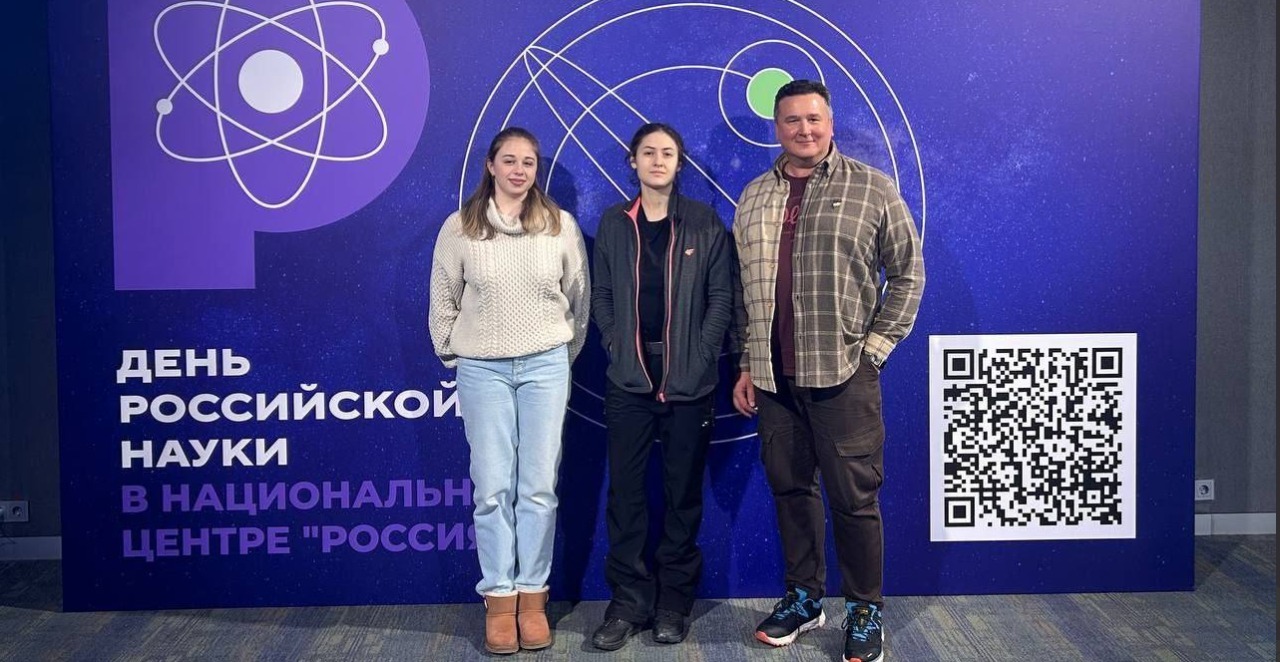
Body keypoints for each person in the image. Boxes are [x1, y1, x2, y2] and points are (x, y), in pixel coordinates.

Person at [731, 80, 925, 662]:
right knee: (791, 491)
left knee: (854, 500)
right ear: (777, 128)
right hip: (774, 379)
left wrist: (874, 350)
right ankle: (804, 598)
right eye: (792, 120)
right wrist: (748, 362)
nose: (804, 130)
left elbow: (908, 274)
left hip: (844, 374)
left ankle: (865, 609)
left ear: (831, 123)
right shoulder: (754, 196)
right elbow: (745, 292)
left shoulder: (872, 188)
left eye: (813, 118)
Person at [428, 126, 589, 655]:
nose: (519, 170)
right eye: (510, 160)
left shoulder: (559, 226)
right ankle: (499, 598)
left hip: (546, 366)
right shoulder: (460, 228)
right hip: (483, 370)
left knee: (538, 487)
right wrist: (456, 353)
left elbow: (578, 299)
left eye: (528, 162)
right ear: (491, 165)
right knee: (493, 487)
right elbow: (443, 300)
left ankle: (532, 598)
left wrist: (558, 356)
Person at [588, 123, 734, 651]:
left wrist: (701, 357)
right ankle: (628, 602)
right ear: (633, 162)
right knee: (625, 497)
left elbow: (722, 297)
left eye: (667, 153)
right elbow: (601, 293)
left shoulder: (702, 221)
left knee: (682, 497)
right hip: (629, 380)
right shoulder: (613, 223)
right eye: (647, 152)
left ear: (678, 163)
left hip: (689, 383)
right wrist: (615, 343)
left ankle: (673, 603)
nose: (657, 160)